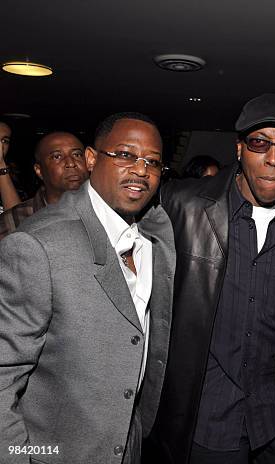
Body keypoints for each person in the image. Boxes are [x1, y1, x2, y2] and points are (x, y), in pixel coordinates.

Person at [149, 94, 275, 464]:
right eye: (260, 143)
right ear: (240, 149)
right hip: (208, 417)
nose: (273, 158)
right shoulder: (182, 205)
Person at [0, 112, 175, 464]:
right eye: (125, 155)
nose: (141, 169)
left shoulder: (156, 234)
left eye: (152, 162)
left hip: (127, 442)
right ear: (92, 159)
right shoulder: (38, 245)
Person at [0, 131, 89, 239]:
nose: (71, 163)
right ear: (39, 170)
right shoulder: (14, 220)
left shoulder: (105, 211)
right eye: (57, 157)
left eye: (77, 155)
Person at [0, 121, 21, 212]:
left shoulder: (13, 176)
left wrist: (1, 165)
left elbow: (17, 220)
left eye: (4, 141)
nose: (0, 146)